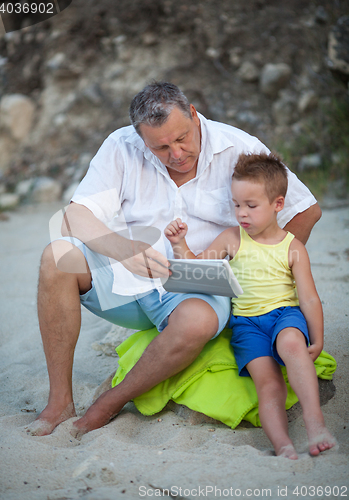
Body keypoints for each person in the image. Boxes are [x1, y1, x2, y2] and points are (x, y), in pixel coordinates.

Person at [27, 81, 322, 438]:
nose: (177, 153)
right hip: (130, 280)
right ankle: (59, 403)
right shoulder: (121, 147)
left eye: (182, 138)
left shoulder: (238, 147)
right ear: (141, 139)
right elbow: (75, 216)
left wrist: (264, 271)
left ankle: (110, 402)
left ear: (194, 115)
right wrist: (122, 249)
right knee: (56, 257)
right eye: (161, 147)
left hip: (200, 285)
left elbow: (304, 210)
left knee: (196, 321)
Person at [164, 152, 335, 459]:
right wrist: (180, 246)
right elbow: (200, 268)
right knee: (267, 385)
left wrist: (318, 338)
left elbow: (308, 297)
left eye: (251, 206)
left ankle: (315, 426)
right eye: (237, 205)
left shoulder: (292, 247)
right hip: (247, 324)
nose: (242, 213)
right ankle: (282, 445)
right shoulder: (232, 238)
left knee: (294, 346)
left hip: (285, 315)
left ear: (277, 204)